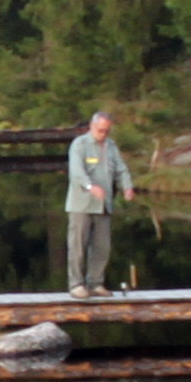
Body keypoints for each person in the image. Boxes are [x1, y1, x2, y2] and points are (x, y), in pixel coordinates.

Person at [62, 108, 134, 296]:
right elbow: (76, 172)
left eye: (106, 131)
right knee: (78, 245)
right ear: (92, 126)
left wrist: (127, 186)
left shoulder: (111, 146)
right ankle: (76, 284)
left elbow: (121, 169)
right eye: (100, 130)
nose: (103, 134)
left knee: (102, 247)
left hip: (103, 205)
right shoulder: (80, 144)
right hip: (81, 205)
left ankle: (95, 282)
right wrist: (89, 186)